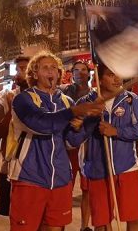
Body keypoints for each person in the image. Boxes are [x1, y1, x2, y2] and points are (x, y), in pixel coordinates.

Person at [8, 51, 104, 231]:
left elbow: (71, 142)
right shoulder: (24, 99)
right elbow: (42, 124)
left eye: (54, 67)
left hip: (61, 179)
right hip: (29, 177)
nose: (51, 71)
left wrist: (91, 120)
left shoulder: (67, 101)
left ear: (60, 74)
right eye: (45, 67)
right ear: (34, 74)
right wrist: (74, 112)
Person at [72, 63, 138, 231]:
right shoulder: (85, 103)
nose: (117, 79)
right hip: (97, 171)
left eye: (119, 74)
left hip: (126, 168)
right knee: (101, 222)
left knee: (134, 217)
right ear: (99, 78)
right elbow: (73, 139)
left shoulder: (131, 99)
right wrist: (83, 123)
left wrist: (117, 131)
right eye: (110, 74)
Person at [0, 55, 29, 216]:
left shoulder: (50, 97)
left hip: (41, 168)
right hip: (11, 165)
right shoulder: (4, 98)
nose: (21, 72)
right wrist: (11, 109)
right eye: (19, 69)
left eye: (26, 68)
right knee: (16, 217)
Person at [60, 61, 94, 231]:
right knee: (65, 188)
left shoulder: (95, 94)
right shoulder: (63, 93)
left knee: (87, 189)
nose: (80, 73)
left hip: (88, 147)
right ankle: (60, 224)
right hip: (68, 148)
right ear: (71, 74)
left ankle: (84, 226)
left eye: (83, 70)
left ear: (89, 74)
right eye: (76, 70)